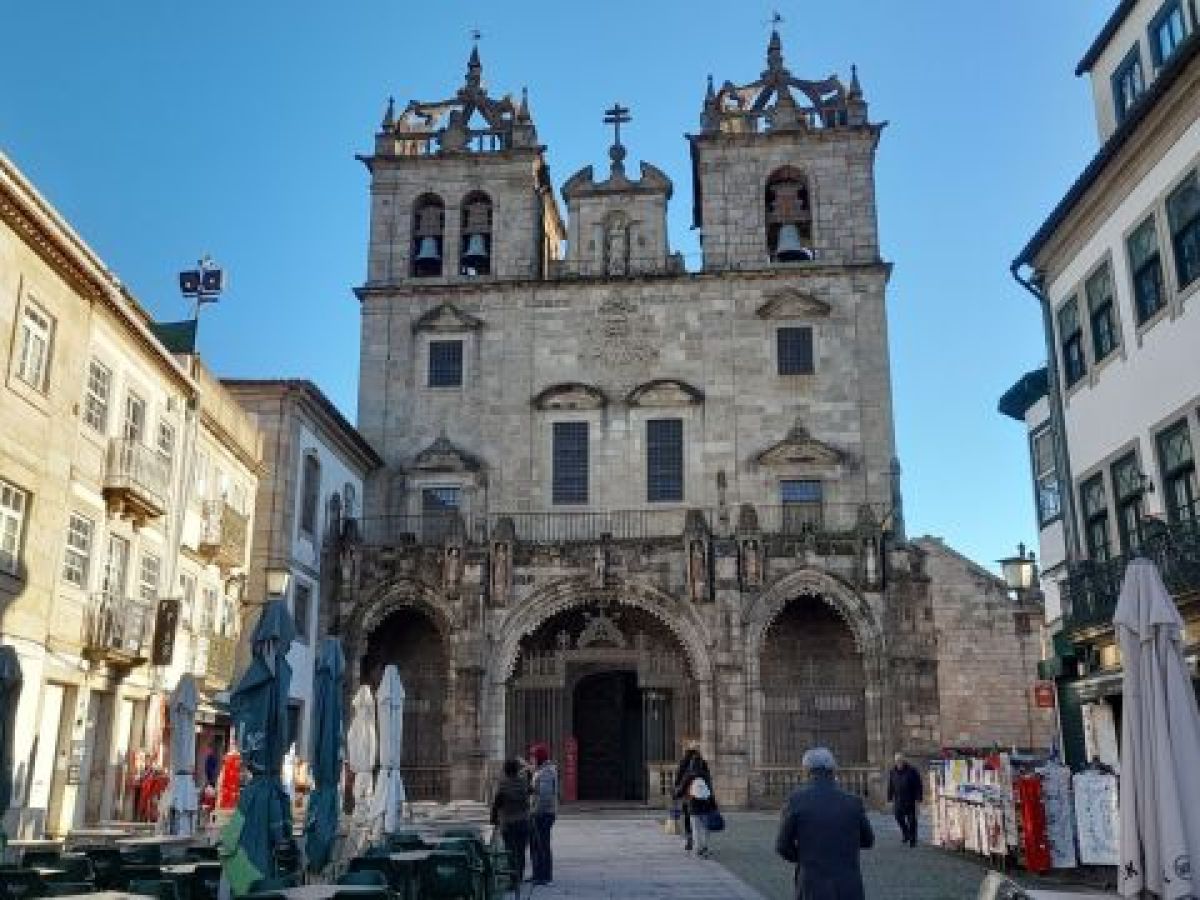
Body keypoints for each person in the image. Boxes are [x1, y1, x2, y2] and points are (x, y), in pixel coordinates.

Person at [775, 747, 874, 900]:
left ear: (806, 770)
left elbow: (782, 846)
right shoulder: (853, 801)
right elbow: (868, 841)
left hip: (811, 885)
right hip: (848, 886)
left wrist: (804, 857)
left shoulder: (796, 800)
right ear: (833, 769)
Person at [490, 758, 530, 885]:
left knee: (510, 851)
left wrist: (493, 820)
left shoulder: (502, 785)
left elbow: (496, 804)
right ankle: (520, 876)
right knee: (521, 851)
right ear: (517, 770)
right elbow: (532, 791)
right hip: (523, 822)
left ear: (505, 770)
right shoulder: (523, 783)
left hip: (508, 823)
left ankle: (514, 879)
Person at [529, 742, 558, 886]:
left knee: (542, 844)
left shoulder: (546, 772)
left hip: (543, 814)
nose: (531, 760)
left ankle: (545, 875)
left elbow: (545, 797)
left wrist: (535, 811)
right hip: (540, 813)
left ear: (539, 757)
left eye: (533, 757)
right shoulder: (540, 770)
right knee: (536, 844)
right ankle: (537, 873)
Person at [673, 742, 711, 852]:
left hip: (689, 796)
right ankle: (703, 844)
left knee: (689, 818)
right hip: (703, 796)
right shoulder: (703, 763)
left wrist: (676, 793)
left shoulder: (684, 762)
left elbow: (680, 779)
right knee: (703, 820)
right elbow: (708, 780)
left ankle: (691, 840)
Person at [684, 752, 717, 858]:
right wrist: (713, 804)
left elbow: (682, 788)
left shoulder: (689, 775)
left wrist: (676, 793)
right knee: (705, 828)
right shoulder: (706, 775)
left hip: (694, 805)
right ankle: (705, 847)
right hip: (705, 805)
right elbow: (710, 790)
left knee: (695, 828)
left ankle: (697, 849)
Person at [887, 752, 923, 847]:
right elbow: (890, 786)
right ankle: (906, 833)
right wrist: (889, 798)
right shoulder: (892, 771)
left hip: (910, 799)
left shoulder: (912, 771)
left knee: (912, 821)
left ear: (903, 760)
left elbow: (918, 785)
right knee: (898, 817)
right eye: (897, 760)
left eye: (900, 760)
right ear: (895, 761)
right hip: (898, 799)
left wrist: (918, 799)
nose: (899, 762)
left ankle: (913, 840)